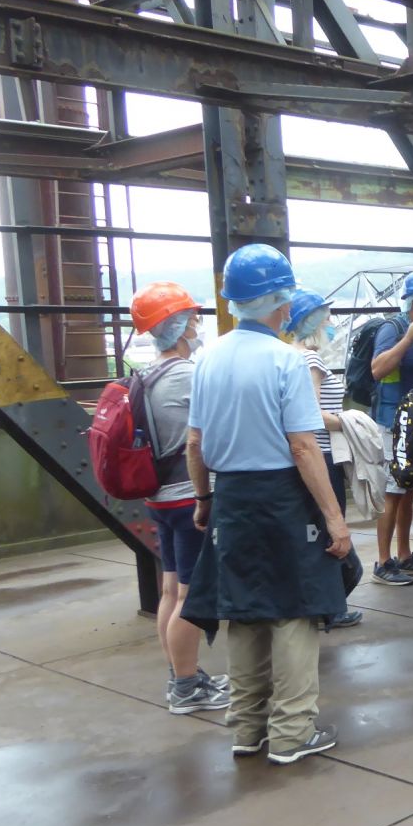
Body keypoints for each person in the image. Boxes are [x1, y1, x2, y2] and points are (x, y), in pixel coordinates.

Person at [181, 244, 353, 766]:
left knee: (244, 612)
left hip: (231, 497)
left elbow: (195, 443)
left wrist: (204, 499)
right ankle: (292, 733)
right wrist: (335, 519)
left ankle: (246, 728)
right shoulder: (286, 360)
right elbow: (303, 447)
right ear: (280, 301)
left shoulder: (206, 359)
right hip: (282, 498)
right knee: (294, 613)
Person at [129, 282, 229, 714]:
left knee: (170, 590)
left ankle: (180, 675)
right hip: (189, 498)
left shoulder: (146, 376)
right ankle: (186, 687)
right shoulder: (189, 375)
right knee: (191, 596)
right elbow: (206, 439)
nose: (196, 324)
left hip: (159, 498)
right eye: (191, 318)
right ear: (177, 325)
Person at [286, 288, 362, 629]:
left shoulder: (290, 356)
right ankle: (332, 607)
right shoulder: (312, 360)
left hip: (302, 458)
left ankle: (321, 603)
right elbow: (312, 414)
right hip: (322, 455)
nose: (331, 324)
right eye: (326, 318)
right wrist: (349, 422)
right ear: (312, 322)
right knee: (332, 531)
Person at [370, 269, 413, 586]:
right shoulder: (394, 328)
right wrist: (408, 338)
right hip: (390, 423)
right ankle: (383, 561)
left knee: (407, 490)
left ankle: (404, 554)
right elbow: (377, 369)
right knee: (392, 492)